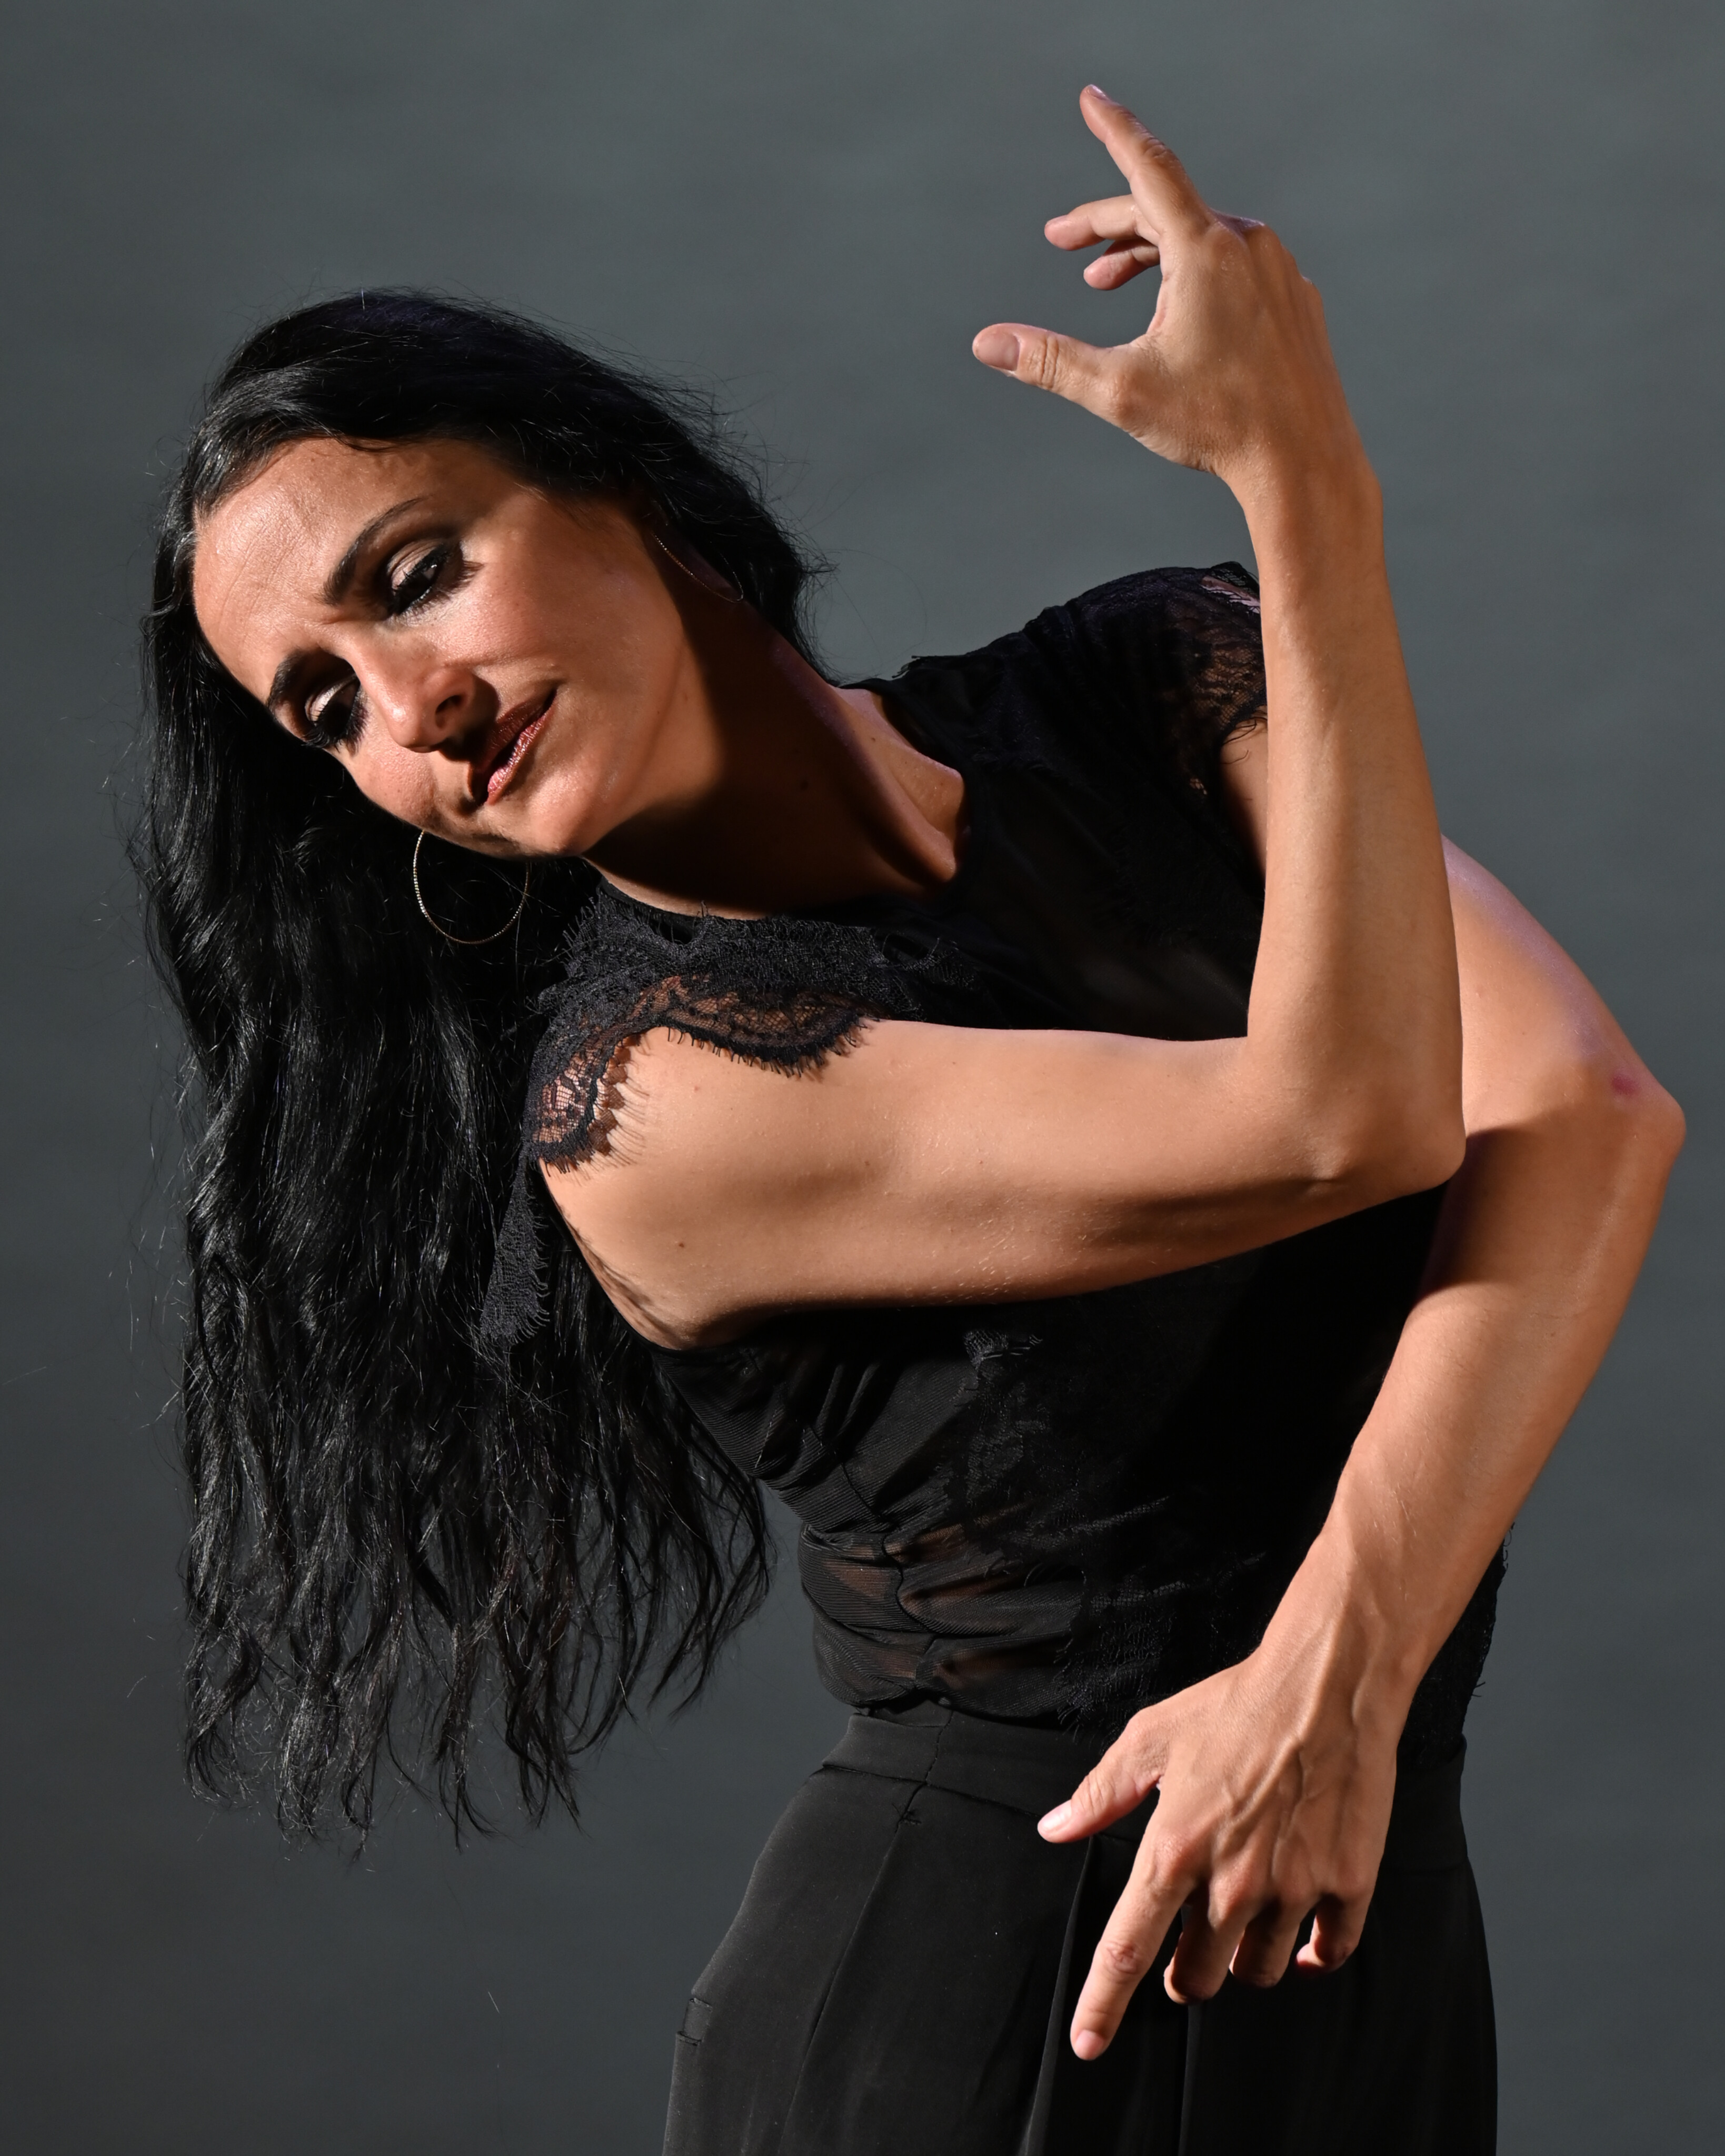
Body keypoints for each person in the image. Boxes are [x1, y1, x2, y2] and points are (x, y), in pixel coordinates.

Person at [141, 87, 1681, 2156]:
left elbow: (1584, 1111)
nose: (412, 715)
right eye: (324, 707)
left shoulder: (1140, 685)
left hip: (1344, 1880)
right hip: (1001, 1996)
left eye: (414, 578)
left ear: (619, 487)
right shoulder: (650, 1111)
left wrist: (1338, 1673)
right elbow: (1353, 1121)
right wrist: (1305, 482)